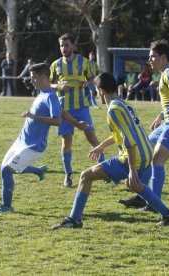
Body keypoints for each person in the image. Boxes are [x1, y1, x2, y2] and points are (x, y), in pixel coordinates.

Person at [51, 72, 169, 229]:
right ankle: (167, 213)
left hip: (133, 157)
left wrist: (132, 170)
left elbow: (129, 140)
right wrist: (102, 146)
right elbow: (125, 133)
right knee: (134, 185)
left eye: (96, 91)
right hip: (145, 153)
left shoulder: (113, 110)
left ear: (101, 91)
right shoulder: (123, 104)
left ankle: (74, 219)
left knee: (85, 176)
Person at [118, 39, 169, 211]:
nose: (150, 60)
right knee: (145, 152)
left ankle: (153, 202)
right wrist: (160, 117)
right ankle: (142, 196)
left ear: (163, 57)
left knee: (156, 160)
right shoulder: (165, 74)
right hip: (167, 123)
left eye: (152, 56)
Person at [0, 63, 62, 213]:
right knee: (6, 168)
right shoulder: (41, 93)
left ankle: (6, 207)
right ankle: (37, 171)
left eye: (34, 78)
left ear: (43, 77)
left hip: (33, 146)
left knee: (6, 170)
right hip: (21, 141)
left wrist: (33, 116)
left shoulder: (50, 96)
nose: (31, 81)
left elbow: (57, 120)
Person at [50, 33, 104, 187]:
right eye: (61, 45)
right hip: (63, 109)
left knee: (92, 138)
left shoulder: (84, 62)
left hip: (81, 108)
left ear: (72, 46)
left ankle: (106, 170)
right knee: (66, 142)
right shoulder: (55, 65)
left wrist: (88, 83)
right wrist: (58, 86)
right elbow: (48, 84)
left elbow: (94, 79)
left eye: (66, 45)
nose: (63, 48)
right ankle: (68, 174)